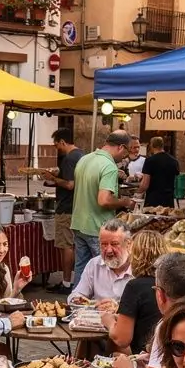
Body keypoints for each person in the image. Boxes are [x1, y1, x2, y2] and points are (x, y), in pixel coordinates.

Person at [70, 132, 134, 286]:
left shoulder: (85, 159)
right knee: (106, 270)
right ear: (121, 147)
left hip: (79, 223)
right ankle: (104, 303)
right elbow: (104, 200)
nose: (125, 157)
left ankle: (77, 301)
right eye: (126, 152)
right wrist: (124, 202)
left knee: (82, 269)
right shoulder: (109, 166)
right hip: (98, 227)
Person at [102, 229, 165, 355]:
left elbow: (121, 339)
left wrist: (108, 321)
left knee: (111, 343)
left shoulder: (135, 286)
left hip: (144, 357)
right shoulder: (167, 283)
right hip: (163, 352)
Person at [46, 127, 83, 289]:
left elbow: (69, 184)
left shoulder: (69, 158)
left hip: (66, 207)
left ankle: (67, 282)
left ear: (62, 142)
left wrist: (53, 178)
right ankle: (72, 281)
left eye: (56, 145)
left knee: (66, 245)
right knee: (74, 245)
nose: (57, 149)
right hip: (76, 207)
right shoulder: (81, 156)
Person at [68, 220, 133, 309]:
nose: (109, 250)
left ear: (128, 244)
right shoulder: (94, 264)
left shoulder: (139, 268)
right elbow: (77, 294)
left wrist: (117, 307)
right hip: (98, 319)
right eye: (104, 244)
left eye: (114, 244)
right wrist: (78, 300)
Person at [139, 136, 181, 208]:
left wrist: (137, 192)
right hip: (168, 200)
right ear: (162, 145)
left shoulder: (150, 161)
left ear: (152, 146)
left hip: (153, 200)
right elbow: (177, 179)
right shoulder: (174, 161)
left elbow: (145, 184)